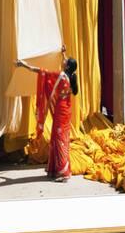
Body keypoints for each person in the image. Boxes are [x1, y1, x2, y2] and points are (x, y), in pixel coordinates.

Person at [14, 45, 78, 182]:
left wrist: (24, 65)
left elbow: (41, 72)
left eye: (65, 62)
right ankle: (56, 169)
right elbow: (68, 65)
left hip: (61, 112)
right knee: (59, 138)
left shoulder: (61, 76)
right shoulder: (70, 76)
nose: (63, 61)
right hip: (66, 111)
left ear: (67, 67)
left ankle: (63, 173)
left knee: (59, 139)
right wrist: (63, 54)